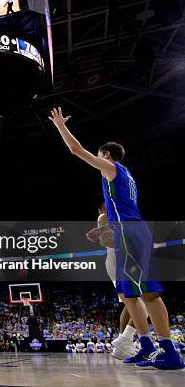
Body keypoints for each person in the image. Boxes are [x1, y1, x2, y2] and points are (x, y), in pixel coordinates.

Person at [49, 106, 184, 370]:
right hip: (125, 232)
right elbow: (121, 211)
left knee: (149, 293)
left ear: (107, 155)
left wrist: (60, 126)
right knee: (129, 294)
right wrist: (103, 231)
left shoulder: (112, 168)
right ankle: (146, 347)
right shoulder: (126, 177)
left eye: (100, 156)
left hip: (132, 233)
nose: (98, 160)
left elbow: (77, 151)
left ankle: (169, 350)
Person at [86, 195, 140, 359]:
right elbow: (107, 241)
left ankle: (123, 344)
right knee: (141, 301)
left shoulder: (112, 217)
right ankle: (126, 340)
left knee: (130, 303)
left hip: (118, 261)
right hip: (119, 260)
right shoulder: (104, 216)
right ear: (102, 205)